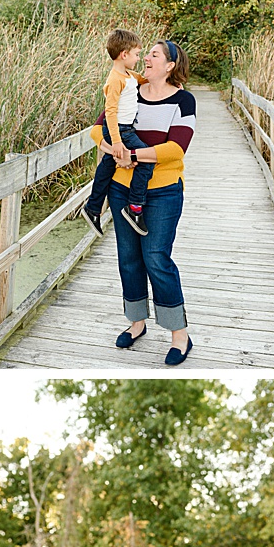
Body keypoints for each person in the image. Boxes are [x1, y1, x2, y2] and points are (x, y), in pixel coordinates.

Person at [92, 39, 196, 366]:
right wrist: (114, 151)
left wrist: (132, 155)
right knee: (129, 258)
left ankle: (179, 335)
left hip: (163, 191)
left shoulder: (183, 100)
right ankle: (137, 323)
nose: (146, 58)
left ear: (170, 66)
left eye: (154, 54)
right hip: (121, 189)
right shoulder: (129, 89)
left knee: (156, 258)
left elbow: (176, 149)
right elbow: (97, 130)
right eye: (146, 53)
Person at [81, 29, 152, 238]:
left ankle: (93, 207)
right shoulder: (115, 80)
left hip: (125, 128)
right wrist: (117, 142)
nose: (138, 59)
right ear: (124, 54)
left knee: (108, 165)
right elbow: (110, 112)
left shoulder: (129, 75)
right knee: (147, 158)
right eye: (136, 54)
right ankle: (135, 206)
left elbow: (143, 80)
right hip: (119, 129)